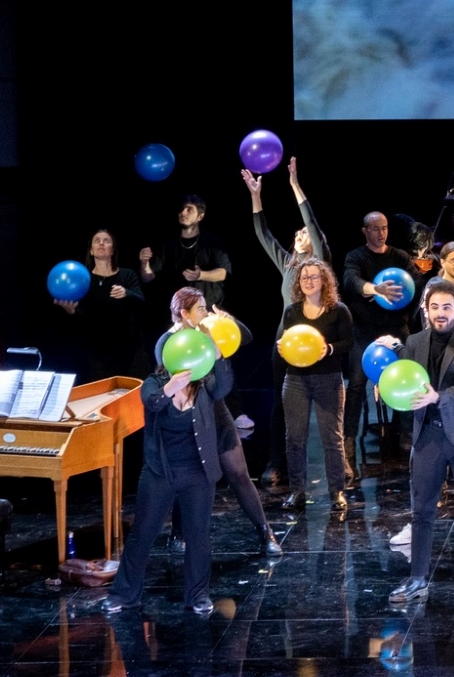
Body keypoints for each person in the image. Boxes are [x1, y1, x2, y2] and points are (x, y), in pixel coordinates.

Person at [103, 347, 234, 615]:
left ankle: (198, 596)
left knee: (198, 535)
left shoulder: (205, 384)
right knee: (143, 534)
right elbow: (150, 402)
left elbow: (224, 385)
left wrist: (218, 355)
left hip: (198, 473)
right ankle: (124, 594)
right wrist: (170, 388)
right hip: (161, 473)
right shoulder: (155, 383)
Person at [152, 288, 280, 555]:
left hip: (217, 414)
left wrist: (218, 349)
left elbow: (225, 379)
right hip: (187, 419)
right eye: (200, 309)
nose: (205, 313)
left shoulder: (206, 336)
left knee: (239, 474)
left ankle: (265, 533)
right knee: (186, 478)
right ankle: (178, 533)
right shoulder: (166, 343)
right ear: (184, 314)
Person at [390, 279, 454, 611]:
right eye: (434, 307)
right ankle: (418, 578)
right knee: (421, 511)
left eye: (447, 307)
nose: (440, 313)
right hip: (429, 435)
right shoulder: (415, 341)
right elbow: (402, 372)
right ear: (426, 309)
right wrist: (387, 366)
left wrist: (438, 396)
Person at [244, 158, 327, 489]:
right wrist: (256, 195)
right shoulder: (288, 264)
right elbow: (262, 232)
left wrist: (293, 184)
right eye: (298, 232)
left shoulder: (319, 264)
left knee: (323, 406)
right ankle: (277, 463)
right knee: (281, 403)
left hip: (318, 343)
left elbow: (314, 225)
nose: (301, 233)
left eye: (306, 233)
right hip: (284, 342)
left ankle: (336, 461)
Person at [278, 258, 354, 513]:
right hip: (296, 379)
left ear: (324, 281)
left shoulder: (338, 310)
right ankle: (297, 491)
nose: (309, 281)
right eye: (304, 277)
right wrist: (282, 347)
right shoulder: (292, 311)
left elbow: (348, 342)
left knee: (331, 437)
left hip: (328, 379)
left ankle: (337, 491)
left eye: (314, 277)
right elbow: (287, 342)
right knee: (294, 438)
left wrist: (328, 349)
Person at [342, 211, 415, 473]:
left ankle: (405, 436)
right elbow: (351, 281)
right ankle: (347, 440)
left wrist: (393, 297)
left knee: (406, 379)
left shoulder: (400, 257)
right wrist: (376, 289)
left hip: (396, 327)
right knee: (357, 384)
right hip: (364, 329)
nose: (380, 233)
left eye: (383, 227)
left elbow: (413, 286)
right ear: (365, 231)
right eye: (374, 228)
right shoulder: (356, 256)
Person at [54, 229, 147, 381]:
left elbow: (141, 301)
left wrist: (126, 293)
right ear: (91, 250)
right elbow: (83, 317)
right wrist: (71, 311)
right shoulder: (84, 280)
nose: (101, 243)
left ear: (113, 250)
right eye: (97, 241)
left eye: (106, 240)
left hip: (130, 350)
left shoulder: (127, 275)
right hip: (97, 352)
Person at [146, 194, 231, 311]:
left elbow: (222, 274)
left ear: (200, 216)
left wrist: (201, 275)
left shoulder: (212, 242)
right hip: (180, 312)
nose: (183, 213)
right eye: (181, 209)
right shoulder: (169, 244)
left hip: (207, 310)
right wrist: (144, 263)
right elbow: (148, 277)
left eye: (189, 209)